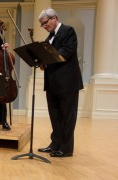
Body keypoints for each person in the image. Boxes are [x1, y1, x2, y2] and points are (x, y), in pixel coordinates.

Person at [37, 8, 84, 157]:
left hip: (67, 82)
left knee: (68, 116)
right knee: (55, 115)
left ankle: (66, 148)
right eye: (42, 25)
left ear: (54, 18)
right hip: (52, 83)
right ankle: (55, 143)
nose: (44, 26)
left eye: (45, 23)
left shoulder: (68, 31)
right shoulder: (48, 38)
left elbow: (66, 52)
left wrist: (46, 58)